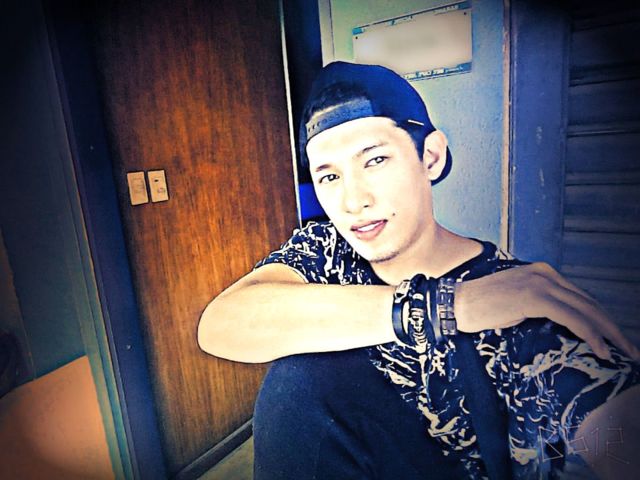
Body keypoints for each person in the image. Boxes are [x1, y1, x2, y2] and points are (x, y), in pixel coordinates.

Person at [198, 62, 640, 479]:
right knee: (296, 382)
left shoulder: (517, 304)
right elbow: (221, 324)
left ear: (430, 157)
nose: (353, 202)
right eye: (329, 177)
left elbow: (614, 426)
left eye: (375, 160)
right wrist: (444, 306)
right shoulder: (328, 250)